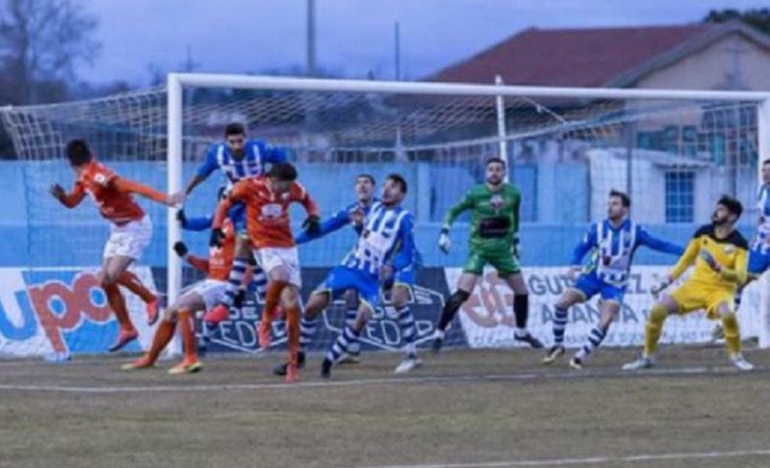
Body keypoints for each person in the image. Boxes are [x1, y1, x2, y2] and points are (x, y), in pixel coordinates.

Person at [50, 139, 184, 351]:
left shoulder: (99, 175)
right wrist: (62, 198)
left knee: (111, 275)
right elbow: (73, 203)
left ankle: (151, 299)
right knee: (103, 280)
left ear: (70, 162)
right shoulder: (84, 177)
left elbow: (133, 186)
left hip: (135, 226)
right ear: (90, 153)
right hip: (117, 228)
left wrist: (165, 198)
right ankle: (127, 329)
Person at [291, 174, 417, 379]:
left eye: (392, 187)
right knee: (313, 304)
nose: (387, 190)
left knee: (363, 318)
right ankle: (300, 356)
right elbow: (331, 229)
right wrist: (293, 241)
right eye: (385, 186)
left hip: (373, 277)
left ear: (402, 194)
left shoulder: (404, 218)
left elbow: (407, 251)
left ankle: (329, 360)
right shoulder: (362, 210)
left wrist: (394, 268)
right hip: (350, 267)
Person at [542, 190, 682, 368]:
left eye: (615, 204)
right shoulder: (598, 229)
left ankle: (580, 356)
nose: (610, 207)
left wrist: (687, 252)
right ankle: (558, 345)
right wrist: (574, 264)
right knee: (562, 303)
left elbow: (660, 244)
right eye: (609, 204)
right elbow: (580, 248)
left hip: (615, 284)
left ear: (625, 209)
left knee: (606, 318)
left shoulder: (635, 231)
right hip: (592, 276)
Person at [212, 162, 320, 382]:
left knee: (292, 306)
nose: (288, 191)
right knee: (279, 276)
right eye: (285, 186)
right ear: (272, 180)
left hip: (288, 247)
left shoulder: (292, 188)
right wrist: (215, 227)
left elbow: (308, 200)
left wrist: (314, 216)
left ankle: (292, 365)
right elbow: (224, 204)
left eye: (290, 187)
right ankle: (266, 320)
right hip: (262, 243)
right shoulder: (248, 187)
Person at [623, 195, 753, 372]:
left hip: (720, 291)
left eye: (721, 210)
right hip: (694, 287)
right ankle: (647, 357)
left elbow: (740, 277)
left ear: (732, 216)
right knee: (657, 310)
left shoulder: (740, 243)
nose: (716, 212)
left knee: (728, 315)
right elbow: (686, 259)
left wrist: (720, 269)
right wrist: (666, 281)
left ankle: (737, 356)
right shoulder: (703, 233)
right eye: (717, 208)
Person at [433, 157, 541, 352]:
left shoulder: (514, 193)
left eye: (498, 169)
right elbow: (453, 210)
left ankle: (521, 331)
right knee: (462, 293)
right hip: (479, 249)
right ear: (485, 173)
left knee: (522, 291)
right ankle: (439, 332)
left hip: (503, 251)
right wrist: (444, 232)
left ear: (504, 172)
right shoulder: (475, 193)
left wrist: (516, 241)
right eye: (491, 169)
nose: (494, 172)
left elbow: (515, 218)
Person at [184, 122, 287, 323]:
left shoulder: (260, 148)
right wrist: (186, 190)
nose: (237, 146)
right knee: (247, 251)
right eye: (233, 142)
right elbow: (203, 172)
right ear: (226, 142)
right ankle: (268, 305)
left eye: (240, 141)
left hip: (259, 200)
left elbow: (282, 159)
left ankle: (227, 303)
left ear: (245, 138)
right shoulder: (218, 153)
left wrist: (273, 180)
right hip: (237, 202)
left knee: (246, 247)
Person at [122, 216, 247, 373]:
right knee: (170, 312)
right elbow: (210, 266)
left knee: (183, 306)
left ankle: (190, 358)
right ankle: (151, 358)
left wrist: (242, 287)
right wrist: (186, 256)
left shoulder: (240, 223)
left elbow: (248, 257)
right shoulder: (220, 225)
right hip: (212, 282)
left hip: (225, 284)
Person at [711, 158, 770, 343]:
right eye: (763, 170)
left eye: (768, 171)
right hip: (762, 246)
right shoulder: (762, 191)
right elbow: (762, 219)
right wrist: (756, 238)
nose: (765, 174)